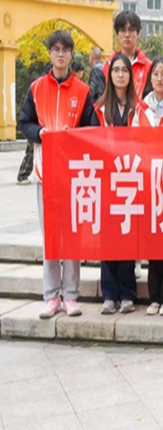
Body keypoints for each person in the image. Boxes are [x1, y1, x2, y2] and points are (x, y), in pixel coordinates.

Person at [18, 30, 94, 319]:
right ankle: (51, 297)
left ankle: (71, 296)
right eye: (56, 49)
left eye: (65, 50)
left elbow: (90, 129)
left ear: (71, 54)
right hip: (46, 173)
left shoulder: (83, 91)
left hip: (74, 176)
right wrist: (40, 132)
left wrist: (72, 138)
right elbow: (25, 122)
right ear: (49, 53)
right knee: (50, 236)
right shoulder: (36, 88)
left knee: (72, 235)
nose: (60, 54)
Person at [91, 53, 140, 314]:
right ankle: (109, 294)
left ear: (131, 76)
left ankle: (128, 294)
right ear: (109, 76)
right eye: (116, 70)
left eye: (124, 70)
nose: (120, 75)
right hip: (106, 179)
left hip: (131, 178)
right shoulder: (99, 109)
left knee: (128, 236)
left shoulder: (138, 108)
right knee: (108, 238)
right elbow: (88, 142)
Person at [133, 59, 163, 315]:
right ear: (150, 79)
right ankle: (155, 297)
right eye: (156, 74)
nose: (160, 78)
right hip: (148, 181)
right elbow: (133, 142)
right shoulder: (141, 108)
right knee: (153, 241)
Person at [103, 10, 152, 99]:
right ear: (117, 34)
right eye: (122, 30)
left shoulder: (148, 66)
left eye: (131, 30)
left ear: (138, 33)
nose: (126, 35)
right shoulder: (108, 65)